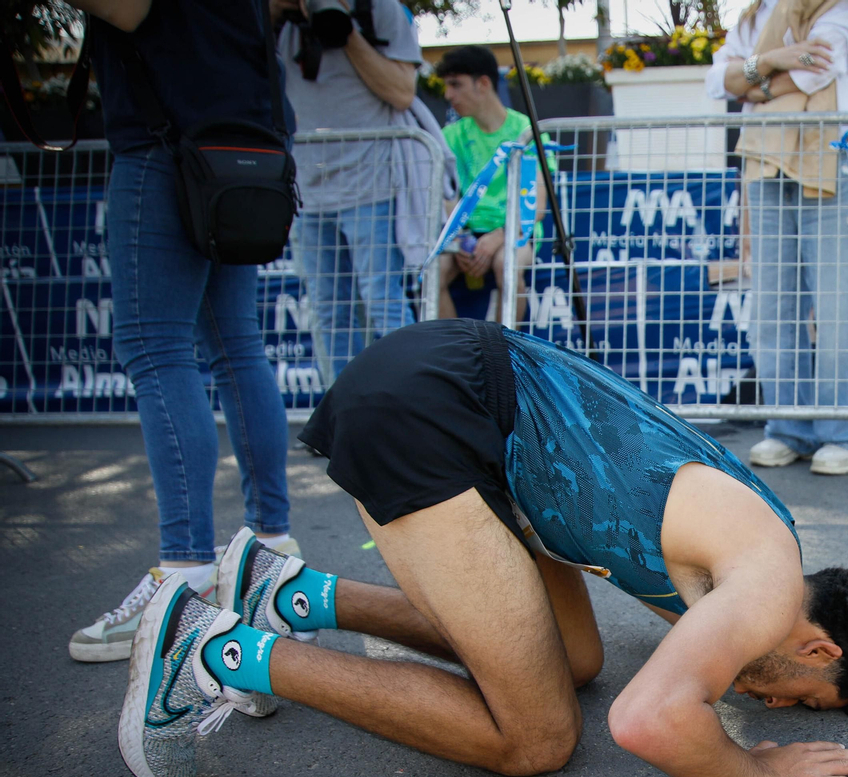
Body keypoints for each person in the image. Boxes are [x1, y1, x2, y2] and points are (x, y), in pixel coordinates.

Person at [115, 319, 848, 777]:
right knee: (537, 739)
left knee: (575, 660)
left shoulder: (760, 544)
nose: (776, 712)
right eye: (806, 701)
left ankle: (285, 592)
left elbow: (677, 660)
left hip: (462, 397)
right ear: (819, 648)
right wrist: (763, 775)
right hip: (433, 417)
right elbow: (648, 721)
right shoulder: (767, 590)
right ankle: (211, 651)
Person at [68, 0, 301, 663]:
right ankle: (272, 553)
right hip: (241, 136)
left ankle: (185, 572)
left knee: (157, 345)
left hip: (167, 137)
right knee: (235, 347)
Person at [712, 0, 848, 477]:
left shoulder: (847, 10)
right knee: (775, 305)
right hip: (768, 163)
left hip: (833, 161)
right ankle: (788, 428)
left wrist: (751, 80)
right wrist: (775, 60)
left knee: (839, 309)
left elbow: (814, 72)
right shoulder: (754, 16)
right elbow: (719, 80)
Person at [274, 0, 422, 385]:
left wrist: (344, 29)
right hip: (306, 190)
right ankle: (343, 420)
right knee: (327, 309)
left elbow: (403, 92)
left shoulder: (378, 8)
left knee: (382, 301)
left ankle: (411, 410)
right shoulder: (279, 18)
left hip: (370, 183)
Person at [433, 45, 543, 323]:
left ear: (483, 83)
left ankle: (499, 358)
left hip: (514, 231)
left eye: (455, 85)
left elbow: (536, 204)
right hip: (464, 234)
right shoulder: (449, 136)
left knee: (508, 265)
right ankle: (454, 362)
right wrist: (461, 240)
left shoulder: (526, 130)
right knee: (432, 274)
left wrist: (498, 236)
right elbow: (443, 197)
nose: (448, 95)